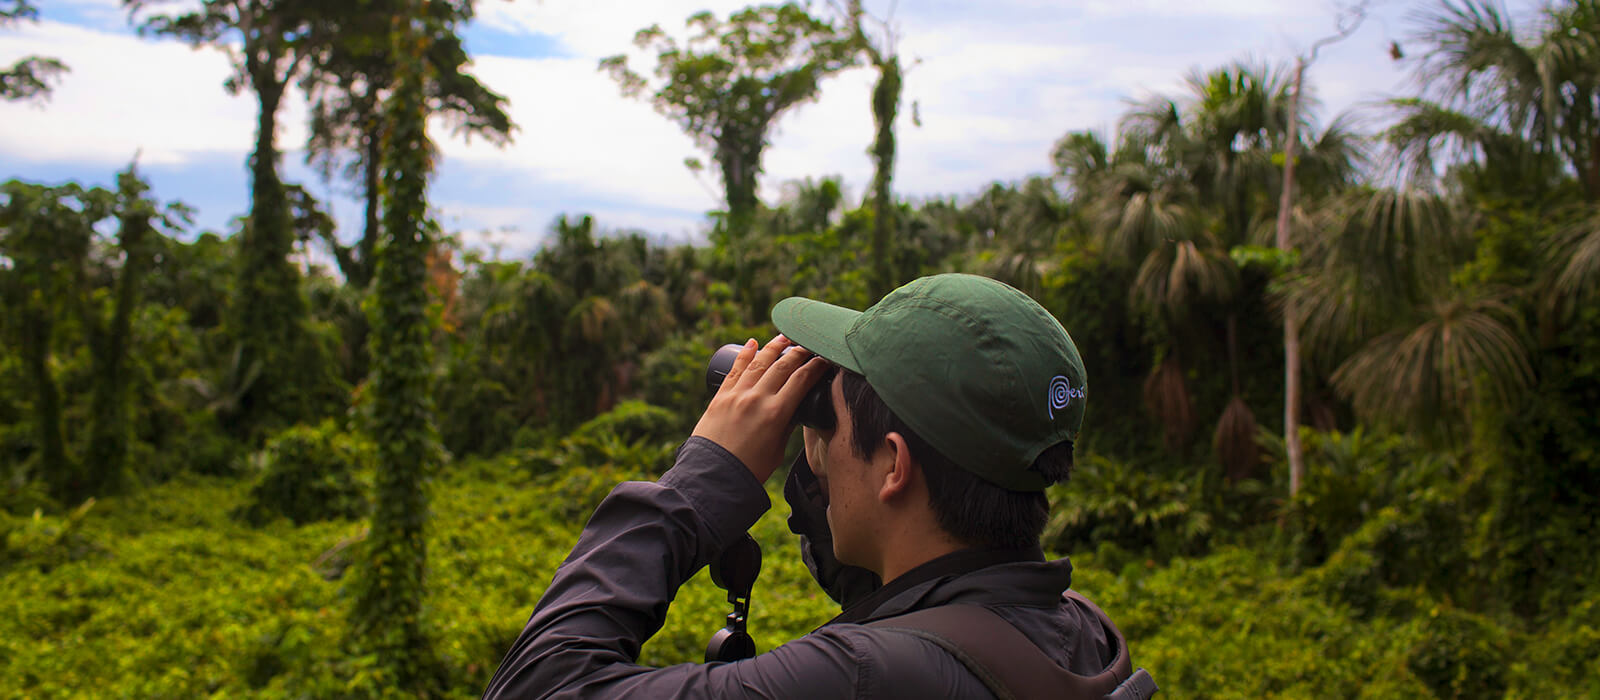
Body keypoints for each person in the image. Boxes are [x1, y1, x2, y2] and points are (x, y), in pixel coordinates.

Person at [482, 273, 1126, 699]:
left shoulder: (859, 676)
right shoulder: (1078, 631)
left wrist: (706, 475)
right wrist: (835, 460)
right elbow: (913, 597)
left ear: (895, 466)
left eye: (828, 413)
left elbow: (538, 684)